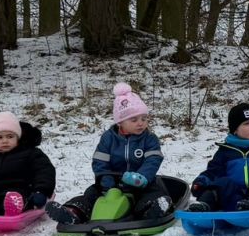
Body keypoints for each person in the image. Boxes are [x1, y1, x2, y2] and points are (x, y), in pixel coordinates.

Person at [46, 82, 170, 223]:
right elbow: (100, 161)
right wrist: (105, 178)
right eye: (134, 120)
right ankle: (74, 211)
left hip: (141, 182)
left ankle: (152, 209)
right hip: (112, 182)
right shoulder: (109, 138)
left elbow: (153, 160)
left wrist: (142, 177)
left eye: (144, 118)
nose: (140, 123)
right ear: (120, 122)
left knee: (152, 193)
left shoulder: (149, 139)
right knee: (91, 194)